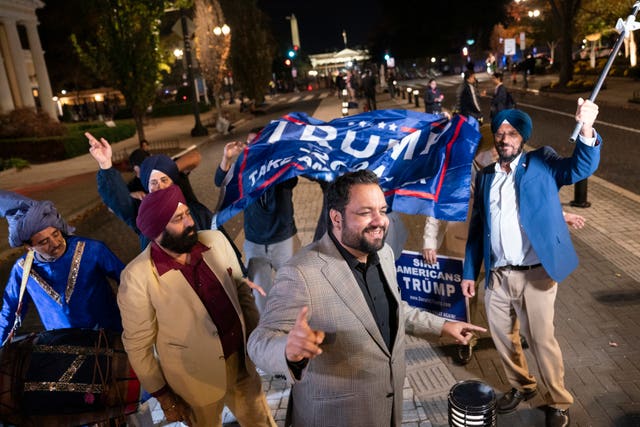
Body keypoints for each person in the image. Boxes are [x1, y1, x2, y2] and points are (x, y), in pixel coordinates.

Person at [247, 170, 486, 427]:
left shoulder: (383, 254)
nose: (380, 221)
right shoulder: (300, 272)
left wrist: (443, 326)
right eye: (365, 213)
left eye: (382, 210)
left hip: (386, 409)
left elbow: (394, 310)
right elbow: (259, 342)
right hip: (336, 418)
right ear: (336, 218)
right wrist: (287, 349)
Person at [461, 100, 601, 427]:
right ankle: (522, 385)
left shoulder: (541, 162)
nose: (504, 138)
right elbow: (478, 228)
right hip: (498, 275)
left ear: (522, 138)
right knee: (501, 337)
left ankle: (558, 401)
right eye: (499, 132)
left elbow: (579, 168)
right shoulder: (485, 177)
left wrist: (587, 128)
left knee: (540, 340)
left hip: (536, 274)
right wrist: (470, 272)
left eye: (511, 133)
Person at [117, 185, 275, 427]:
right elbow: (138, 346)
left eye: (187, 213)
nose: (190, 222)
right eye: (178, 219)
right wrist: (164, 397)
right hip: (194, 382)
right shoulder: (137, 277)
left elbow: (241, 291)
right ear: (157, 230)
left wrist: (257, 343)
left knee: (261, 422)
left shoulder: (216, 241)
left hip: (241, 363)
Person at [0, 191, 123, 344]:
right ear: (28, 247)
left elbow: (127, 281)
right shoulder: (22, 269)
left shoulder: (92, 250)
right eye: (44, 242)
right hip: (61, 349)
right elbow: (9, 312)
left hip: (109, 339)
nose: (55, 243)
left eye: (56, 233)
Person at [214, 127, 298, 313]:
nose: (253, 146)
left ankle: (294, 331)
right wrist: (227, 158)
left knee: (294, 291)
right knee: (260, 298)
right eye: (250, 142)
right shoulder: (243, 170)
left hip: (283, 240)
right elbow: (220, 181)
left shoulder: (280, 167)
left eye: (258, 142)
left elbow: (293, 175)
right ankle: (267, 335)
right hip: (255, 243)